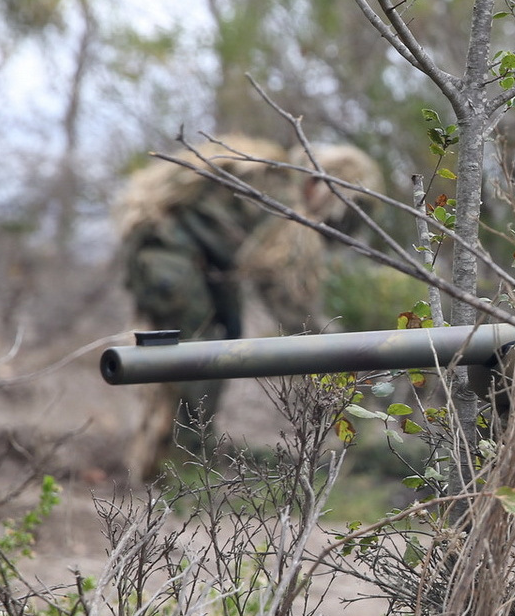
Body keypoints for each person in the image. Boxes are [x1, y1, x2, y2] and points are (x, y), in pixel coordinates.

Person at [118, 134, 384, 482]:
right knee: (196, 354)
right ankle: (179, 469)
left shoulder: (274, 181)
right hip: (167, 251)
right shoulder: (283, 198)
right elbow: (290, 302)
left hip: (182, 252)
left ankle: (176, 462)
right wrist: (340, 354)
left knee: (219, 343)